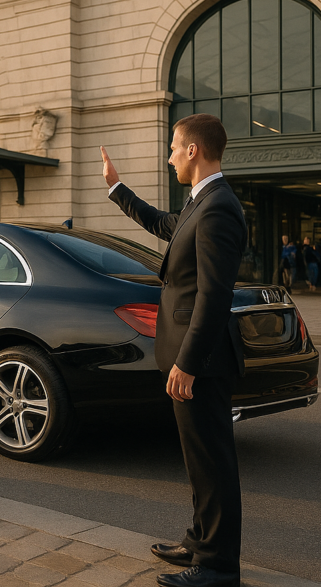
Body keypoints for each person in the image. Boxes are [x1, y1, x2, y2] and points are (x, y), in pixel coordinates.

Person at [102, 113, 246, 587]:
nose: (168, 156)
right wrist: (118, 189)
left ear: (193, 151)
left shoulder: (219, 206)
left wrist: (188, 361)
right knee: (198, 457)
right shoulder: (200, 202)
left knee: (213, 461)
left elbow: (214, 294)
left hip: (199, 359)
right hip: (190, 355)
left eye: (172, 147)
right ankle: (200, 542)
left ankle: (220, 567)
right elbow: (166, 226)